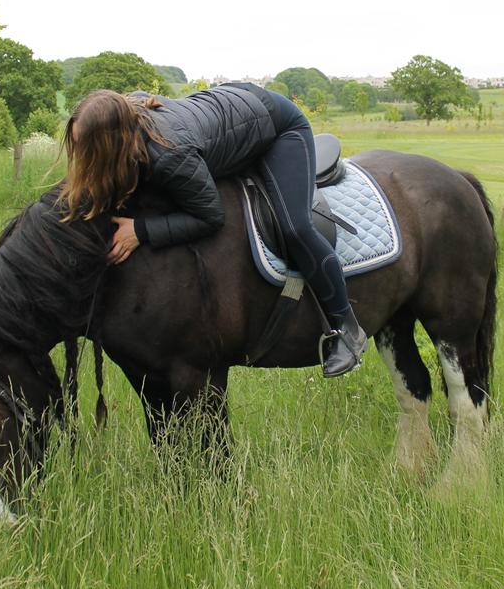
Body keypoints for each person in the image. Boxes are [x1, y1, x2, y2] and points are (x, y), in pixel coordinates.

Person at [61, 83, 367, 377]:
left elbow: (211, 216)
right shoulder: (125, 114)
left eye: (87, 150)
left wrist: (141, 231)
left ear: (111, 144)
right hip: (235, 110)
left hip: (280, 126)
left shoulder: (169, 156)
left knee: (295, 227)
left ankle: (346, 327)